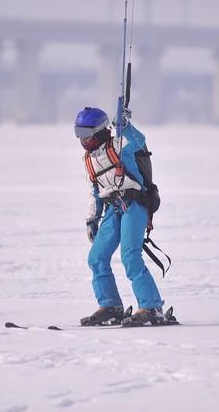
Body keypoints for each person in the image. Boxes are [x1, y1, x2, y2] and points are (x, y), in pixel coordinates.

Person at [74, 106, 165, 326]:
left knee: (130, 256)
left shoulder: (119, 144)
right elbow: (94, 192)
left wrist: (125, 125)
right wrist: (91, 219)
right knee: (96, 257)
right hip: (112, 208)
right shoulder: (89, 159)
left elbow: (139, 142)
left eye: (85, 134)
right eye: (78, 133)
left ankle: (151, 306)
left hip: (134, 204)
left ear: (98, 131)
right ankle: (110, 306)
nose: (82, 139)